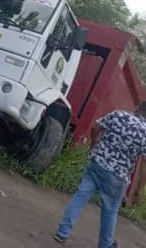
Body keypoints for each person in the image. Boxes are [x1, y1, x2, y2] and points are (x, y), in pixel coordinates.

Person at [54, 100, 146, 247]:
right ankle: (105, 244)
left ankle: (62, 232)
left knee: (80, 196)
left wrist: (94, 145)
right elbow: (144, 164)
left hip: (97, 164)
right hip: (118, 177)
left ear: (137, 108)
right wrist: (138, 190)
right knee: (110, 211)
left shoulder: (118, 115)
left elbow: (95, 127)